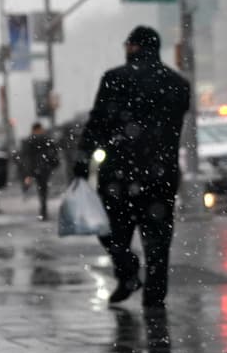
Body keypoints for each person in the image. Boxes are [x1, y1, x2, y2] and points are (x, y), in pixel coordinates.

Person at [75, 26, 191, 308]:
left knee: (113, 233)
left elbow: (97, 123)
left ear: (133, 47)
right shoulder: (178, 84)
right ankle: (154, 295)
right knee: (158, 240)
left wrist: (82, 160)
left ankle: (127, 271)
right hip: (161, 174)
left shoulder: (114, 79)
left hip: (120, 173)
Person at [20, 122, 59, 220]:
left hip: (36, 168)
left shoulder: (29, 141)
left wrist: (28, 170)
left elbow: (26, 156)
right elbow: (54, 152)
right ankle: (43, 209)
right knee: (43, 187)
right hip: (44, 167)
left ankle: (43, 209)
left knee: (41, 187)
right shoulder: (46, 139)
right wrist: (53, 163)